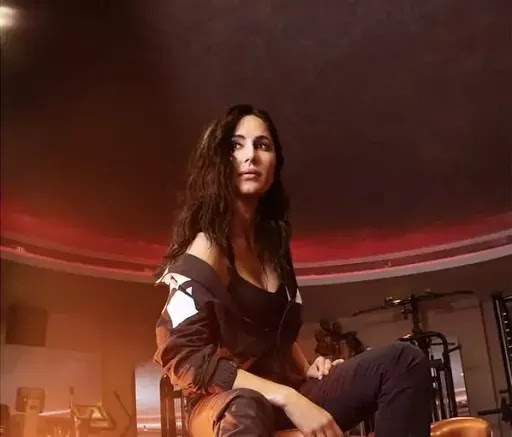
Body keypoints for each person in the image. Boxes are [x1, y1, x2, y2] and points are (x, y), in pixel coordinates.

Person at [154, 104, 432, 437]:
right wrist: (288, 398)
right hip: (223, 405)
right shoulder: (206, 246)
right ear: (217, 161)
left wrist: (308, 370)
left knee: (403, 361)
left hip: (284, 392)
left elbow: (277, 334)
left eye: (262, 145)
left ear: (275, 164)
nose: (251, 156)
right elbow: (182, 356)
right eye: (236, 146)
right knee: (247, 405)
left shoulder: (274, 248)